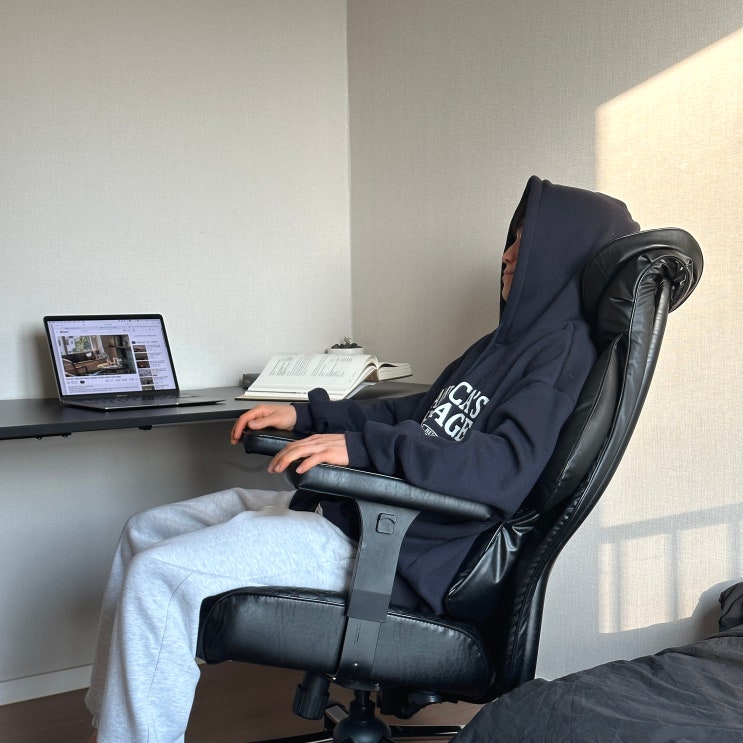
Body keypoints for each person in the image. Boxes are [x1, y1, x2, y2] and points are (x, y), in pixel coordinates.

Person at [85, 176, 640, 742]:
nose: (508, 254)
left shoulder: (560, 354)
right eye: (511, 238)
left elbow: (500, 470)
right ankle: (114, 727)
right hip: (358, 513)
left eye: (527, 241)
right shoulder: (499, 346)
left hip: (392, 548)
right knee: (144, 531)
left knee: (160, 577)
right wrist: (306, 415)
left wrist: (362, 448)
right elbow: (411, 412)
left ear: (563, 252)